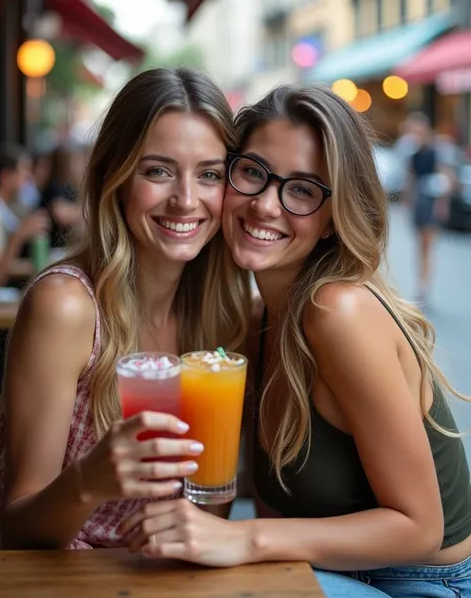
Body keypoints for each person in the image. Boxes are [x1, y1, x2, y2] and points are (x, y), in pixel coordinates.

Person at [121, 86, 471, 598]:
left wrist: (241, 539)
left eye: (304, 190)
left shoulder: (337, 311)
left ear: (333, 218)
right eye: (253, 173)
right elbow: (276, 510)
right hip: (318, 574)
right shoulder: (260, 323)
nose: (265, 205)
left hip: (420, 584)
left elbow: (421, 529)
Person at [0, 67, 250, 550]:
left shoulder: (221, 316)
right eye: (157, 170)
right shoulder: (67, 306)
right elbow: (15, 529)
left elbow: (208, 513)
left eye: (210, 175)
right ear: (112, 176)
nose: (186, 200)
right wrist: (88, 481)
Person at [405, 113, 452, 304]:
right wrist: (407, 201)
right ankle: (421, 285)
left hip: (431, 203)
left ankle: (424, 286)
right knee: (420, 246)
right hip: (419, 204)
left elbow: (445, 179)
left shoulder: (435, 152)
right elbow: (410, 179)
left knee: (426, 245)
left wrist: (442, 205)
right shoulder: (414, 153)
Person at [0, 144, 49, 287]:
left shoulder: (7, 208)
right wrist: (19, 235)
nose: (28, 180)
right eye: (23, 173)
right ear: (5, 176)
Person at [39, 142, 87, 248]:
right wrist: (88, 211)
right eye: (78, 160)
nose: (82, 165)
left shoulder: (69, 185)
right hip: (51, 248)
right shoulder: (55, 185)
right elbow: (61, 214)